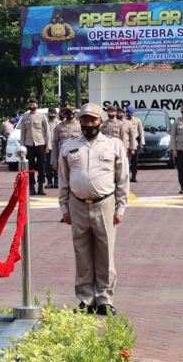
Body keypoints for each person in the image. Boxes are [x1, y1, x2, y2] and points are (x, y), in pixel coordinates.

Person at [58, 103, 129, 316]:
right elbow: (63, 179)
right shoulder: (69, 146)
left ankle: (104, 299)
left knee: (105, 252)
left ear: (101, 121)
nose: (89, 124)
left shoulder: (114, 145)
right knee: (82, 253)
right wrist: (64, 207)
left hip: (104, 204)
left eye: (93, 120)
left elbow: (122, 179)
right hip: (77, 205)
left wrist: (121, 208)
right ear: (80, 122)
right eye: (85, 120)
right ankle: (85, 298)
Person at [20, 97, 51, 195]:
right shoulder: (25, 117)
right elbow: (23, 133)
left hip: (40, 143)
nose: (32, 106)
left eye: (33, 104)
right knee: (30, 167)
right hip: (29, 144)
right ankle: (32, 187)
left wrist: (48, 146)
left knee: (41, 166)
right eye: (30, 104)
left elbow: (47, 132)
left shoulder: (42, 116)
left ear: (37, 105)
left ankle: (41, 187)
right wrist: (22, 147)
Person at [51, 106, 82, 172]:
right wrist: (54, 161)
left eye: (72, 113)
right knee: (63, 179)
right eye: (67, 113)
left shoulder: (80, 126)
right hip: (62, 156)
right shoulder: (59, 126)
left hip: (76, 157)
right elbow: (55, 145)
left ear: (75, 114)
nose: (70, 115)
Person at [123, 107, 144, 182]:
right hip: (125, 143)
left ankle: (134, 176)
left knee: (134, 161)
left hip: (135, 143)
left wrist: (142, 142)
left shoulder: (137, 120)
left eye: (131, 112)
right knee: (125, 162)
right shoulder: (123, 120)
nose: (130, 114)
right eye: (128, 112)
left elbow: (141, 131)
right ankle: (126, 177)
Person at [44, 107, 60, 188]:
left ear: (55, 114)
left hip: (57, 148)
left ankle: (57, 182)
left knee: (57, 165)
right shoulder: (45, 123)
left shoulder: (59, 123)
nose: (51, 115)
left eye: (52, 113)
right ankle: (49, 182)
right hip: (48, 147)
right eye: (49, 113)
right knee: (48, 166)